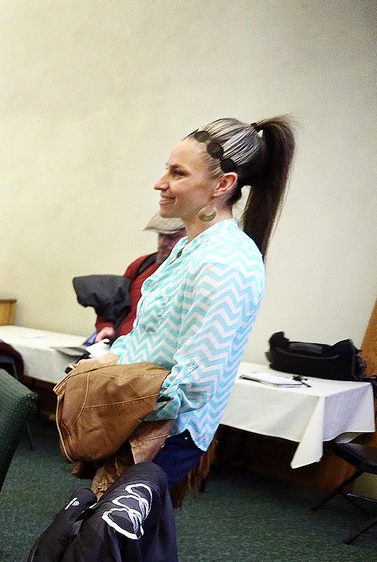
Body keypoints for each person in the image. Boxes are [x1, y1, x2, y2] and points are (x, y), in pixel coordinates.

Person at [105, 116, 296, 486]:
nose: (160, 183)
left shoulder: (225, 260)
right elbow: (146, 335)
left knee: (111, 537)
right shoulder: (191, 248)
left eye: (178, 173)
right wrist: (101, 371)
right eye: (167, 170)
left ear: (223, 184)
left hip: (165, 432)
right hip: (138, 417)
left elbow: (195, 382)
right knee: (111, 537)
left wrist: (115, 405)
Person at [94, 214, 186, 343]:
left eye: (173, 237)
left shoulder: (192, 273)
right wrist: (106, 326)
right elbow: (114, 302)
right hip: (116, 348)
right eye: (160, 235)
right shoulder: (142, 264)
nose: (163, 243)